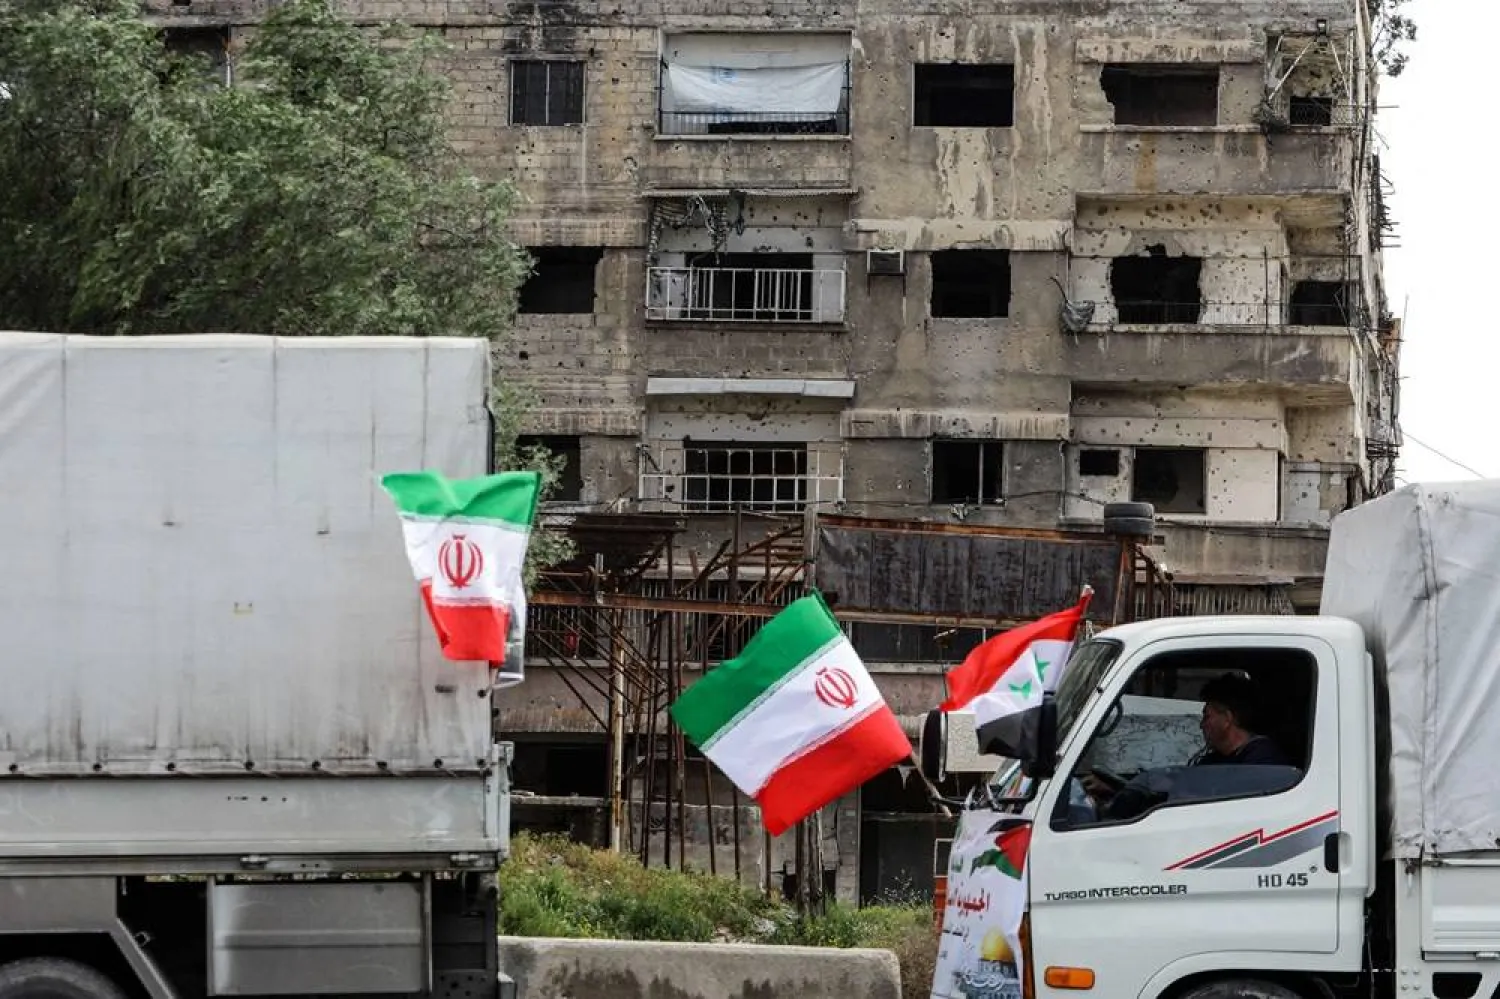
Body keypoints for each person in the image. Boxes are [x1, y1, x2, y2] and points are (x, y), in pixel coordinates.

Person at [1078, 671, 1292, 821]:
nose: (1201, 725)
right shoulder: (1215, 759)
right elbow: (1176, 791)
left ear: (1227, 719)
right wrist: (1117, 790)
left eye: (1207, 717)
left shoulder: (1262, 762)